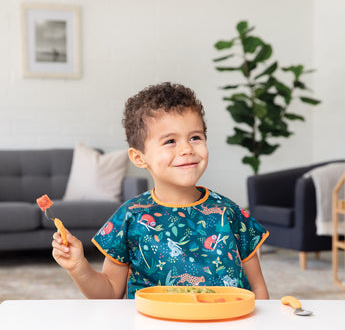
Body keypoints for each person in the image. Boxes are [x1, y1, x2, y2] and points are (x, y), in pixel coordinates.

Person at [52, 82, 270, 299]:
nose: (186, 149)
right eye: (170, 141)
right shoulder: (130, 217)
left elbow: (258, 290)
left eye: (195, 137)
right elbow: (109, 294)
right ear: (139, 157)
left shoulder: (230, 213)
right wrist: (78, 267)